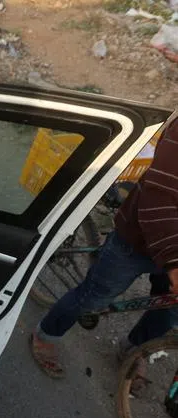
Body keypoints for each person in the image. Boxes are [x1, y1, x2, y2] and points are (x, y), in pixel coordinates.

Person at [30, 118, 178, 379]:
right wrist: (174, 263)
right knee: (93, 297)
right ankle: (45, 335)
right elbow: (158, 198)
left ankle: (133, 350)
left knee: (169, 310)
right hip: (138, 239)